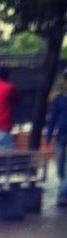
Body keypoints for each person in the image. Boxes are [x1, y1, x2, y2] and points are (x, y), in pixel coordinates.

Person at [44, 74, 67, 207]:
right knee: (59, 166)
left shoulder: (58, 98)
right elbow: (53, 118)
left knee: (64, 167)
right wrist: (48, 135)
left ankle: (63, 195)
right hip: (61, 136)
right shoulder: (59, 99)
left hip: (62, 136)